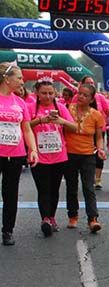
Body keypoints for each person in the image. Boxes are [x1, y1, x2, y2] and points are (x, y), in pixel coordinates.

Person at [28, 78, 77, 237]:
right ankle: (45, 219)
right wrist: (41, 120)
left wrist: (60, 120)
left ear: (55, 93)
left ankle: (52, 217)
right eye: (44, 93)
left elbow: (75, 127)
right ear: (37, 93)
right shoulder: (31, 108)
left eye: (50, 93)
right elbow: (25, 126)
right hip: (39, 156)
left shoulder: (60, 107)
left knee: (54, 189)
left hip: (59, 155)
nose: (48, 96)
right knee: (43, 189)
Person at [0, 63, 39, 246]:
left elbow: (27, 129)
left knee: (11, 194)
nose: (22, 81)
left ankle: (8, 230)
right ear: (7, 79)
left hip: (15, 154)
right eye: (19, 77)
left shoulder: (20, 102)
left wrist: (33, 149)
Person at [65, 83, 106, 233]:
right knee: (71, 186)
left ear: (91, 99)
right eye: (79, 93)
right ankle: (73, 215)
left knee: (89, 187)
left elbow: (99, 137)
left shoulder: (96, 115)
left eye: (85, 95)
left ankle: (92, 219)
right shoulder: (68, 109)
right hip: (69, 153)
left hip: (88, 154)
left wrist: (100, 149)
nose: (81, 96)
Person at [80, 75, 109, 189]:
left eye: (92, 83)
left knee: (99, 153)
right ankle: (87, 176)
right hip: (83, 132)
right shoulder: (77, 98)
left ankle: (97, 179)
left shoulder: (101, 98)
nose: (91, 85)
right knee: (86, 156)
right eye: (88, 83)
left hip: (99, 130)